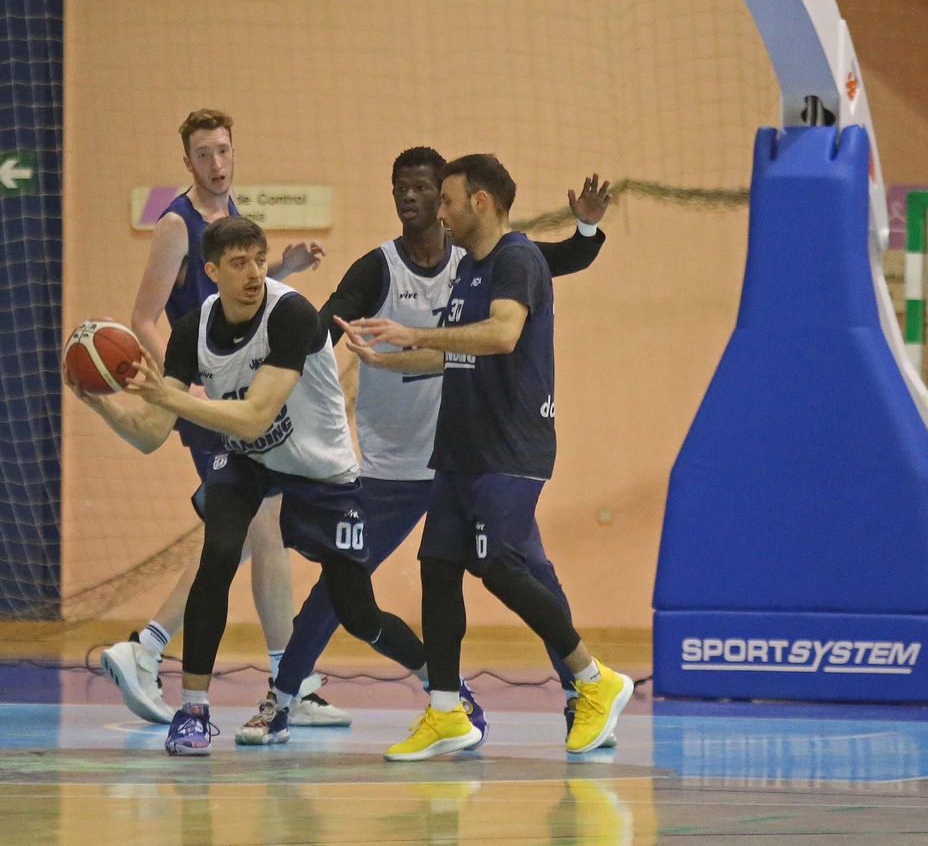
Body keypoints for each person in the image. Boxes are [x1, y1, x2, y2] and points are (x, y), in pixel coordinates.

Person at [236, 147, 610, 746]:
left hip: (480, 454)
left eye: (425, 189)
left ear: (452, 200)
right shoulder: (382, 268)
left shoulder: (492, 259)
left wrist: (587, 225)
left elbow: (561, 260)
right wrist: (269, 325)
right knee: (361, 581)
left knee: (521, 572)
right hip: (402, 465)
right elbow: (323, 324)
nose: (412, 198)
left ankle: (582, 691)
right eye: (399, 188)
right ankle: (326, 699)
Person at [78, 216, 432, 756]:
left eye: (259, 259)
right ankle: (193, 711)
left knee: (357, 611)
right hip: (245, 464)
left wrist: (169, 398)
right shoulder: (191, 329)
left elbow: (255, 415)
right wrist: (99, 399)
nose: (253, 273)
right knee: (218, 553)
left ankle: (442, 684)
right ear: (212, 271)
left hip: (318, 471)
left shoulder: (289, 315)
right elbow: (152, 436)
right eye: (239, 263)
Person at [341, 154, 633, 761]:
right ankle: (447, 712)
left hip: (511, 444)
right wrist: (389, 361)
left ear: (479, 202)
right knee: (438, 567)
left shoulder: (517, 259)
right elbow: (459, 354)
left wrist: (415, 333)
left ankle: (592, 679)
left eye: (446, 200)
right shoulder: (469, 271)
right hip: (460, 447)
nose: (438, 213)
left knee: (499, 565)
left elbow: (501, 336)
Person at [97, 109, 345, 734]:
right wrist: (186, 384)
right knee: (253, 530)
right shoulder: (176, 226)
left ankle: (284, 680)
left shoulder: (232, 219)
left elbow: (242, 303)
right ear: (187, 162)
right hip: (208, 397)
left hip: (237, 389)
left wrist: (283, 271)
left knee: (256, 535)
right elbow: (145, 316)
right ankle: (173, 652)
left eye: (224, 150)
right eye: (203, 153)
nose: (216, 162)